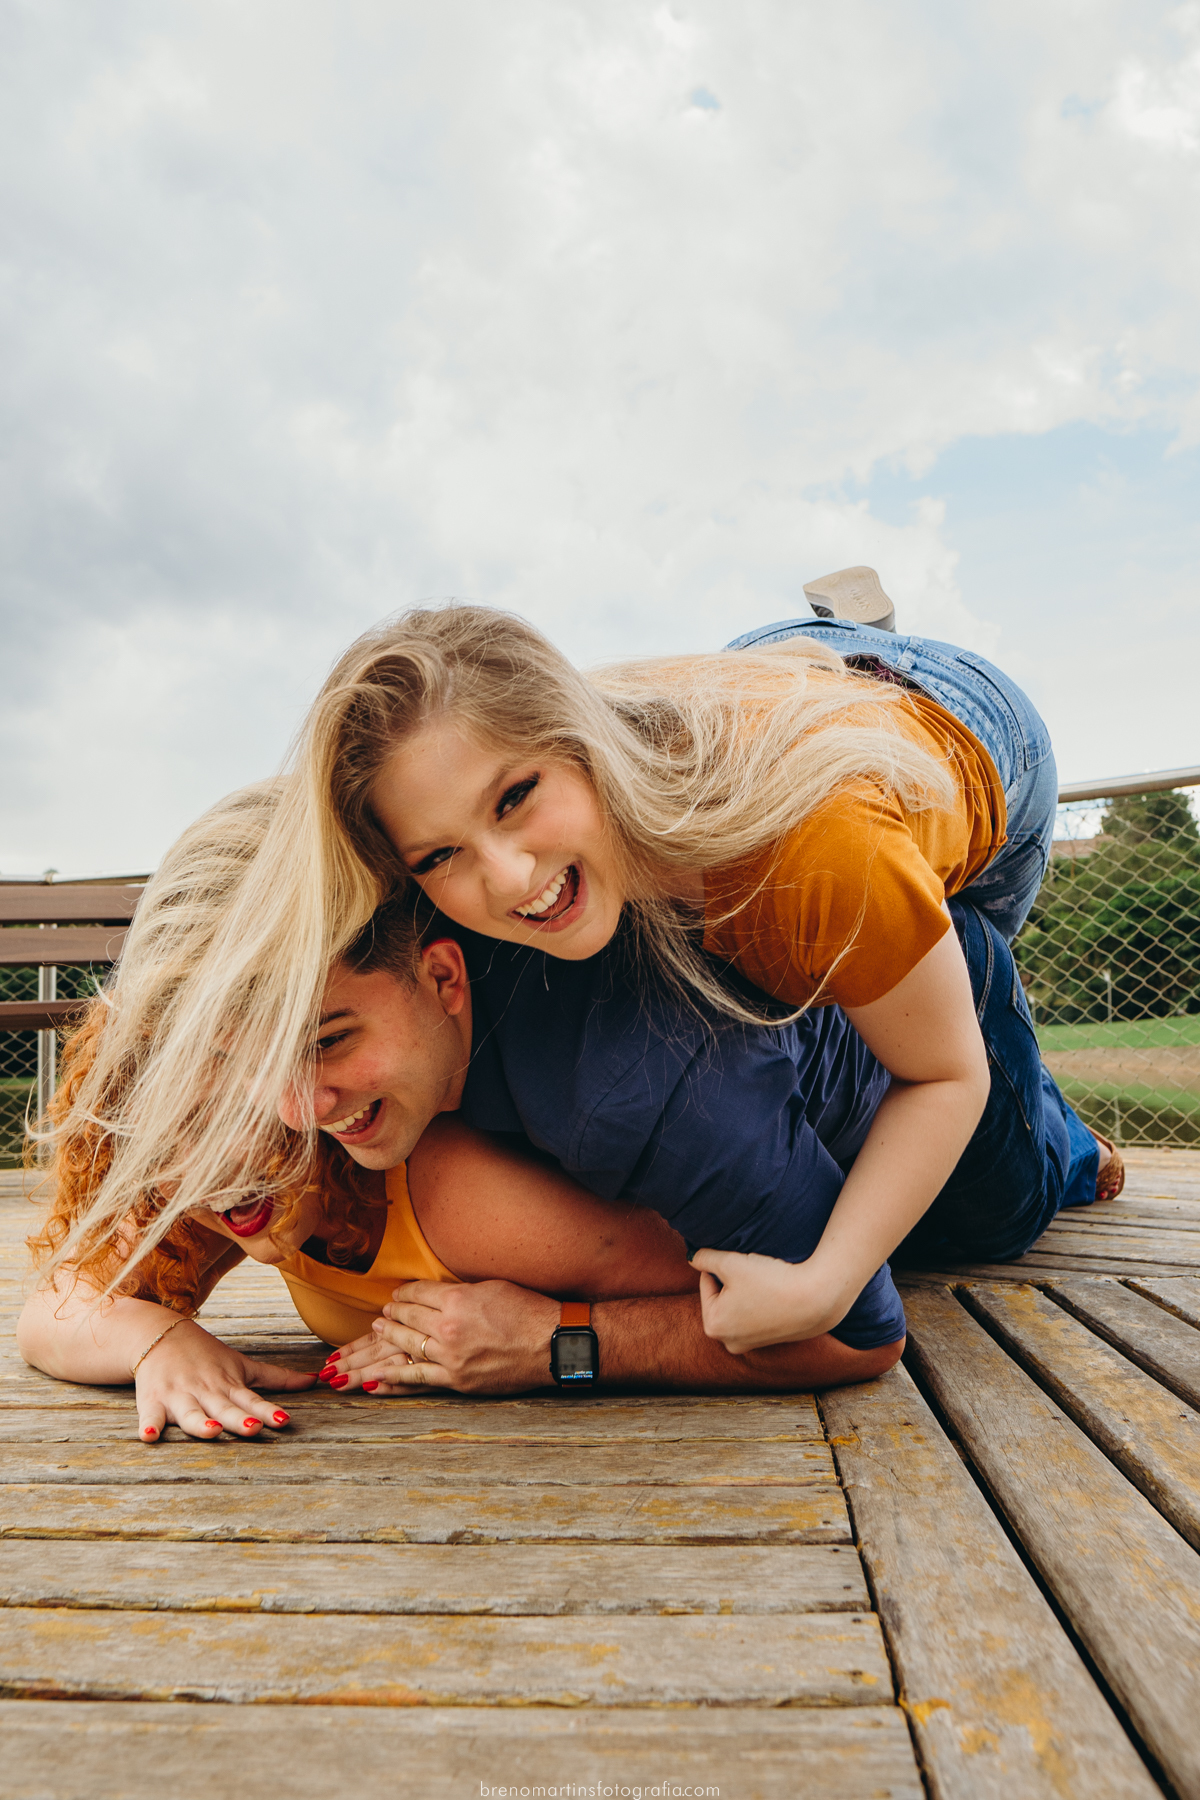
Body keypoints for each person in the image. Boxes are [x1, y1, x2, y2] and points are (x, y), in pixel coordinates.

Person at [289, 603, 1120, 1350]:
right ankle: (829, 638)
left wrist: (827, 1280)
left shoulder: (820, 859)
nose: (506, 878)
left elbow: (942, 1076)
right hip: (746, 683)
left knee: (960, 995)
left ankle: (1071, 1149)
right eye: (440, 854)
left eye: (514, 798)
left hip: (961, 731)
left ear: (576, 741)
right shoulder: (506, 874)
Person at [17, 782, 907, 1443]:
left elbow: (807, 1320)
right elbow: (52, 1309)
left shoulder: (450, 1187)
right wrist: (158, 1341)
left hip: (880, 1110)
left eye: (317, 1047)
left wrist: (554, 1347)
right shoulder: (244, 1184)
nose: (206, 1170)